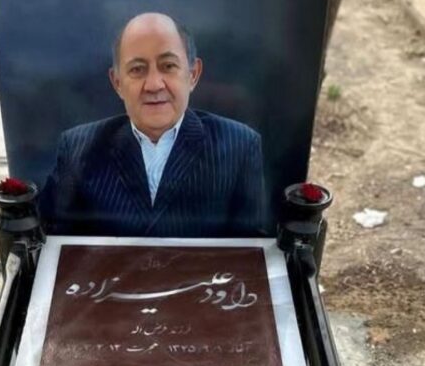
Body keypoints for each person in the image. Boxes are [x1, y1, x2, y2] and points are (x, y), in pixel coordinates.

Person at [38, 12, 265, 237]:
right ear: (117, 83)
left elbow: (252, 247)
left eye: (168, 66)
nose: (154, 85)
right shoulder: (78, 148)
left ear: (193, 75)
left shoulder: (239, 146)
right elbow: (48, 239)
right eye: (137, 69)